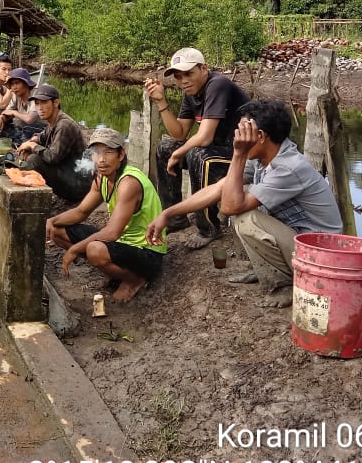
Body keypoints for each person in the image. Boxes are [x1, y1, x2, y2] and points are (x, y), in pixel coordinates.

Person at [146, 99, 343, 308]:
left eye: (241, 130)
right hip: (300, 245)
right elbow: (219, 188)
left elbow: (230, 207)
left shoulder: (288, 167)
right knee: (239, 195)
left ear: (260, 136)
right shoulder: (261, 158)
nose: (236, 136)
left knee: (245, 216)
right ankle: (267, 269)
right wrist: (168, 213)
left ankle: (284, 284)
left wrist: (239, 153)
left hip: (321, 257)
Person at [143, 47, 250, 249]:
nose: (183, 81)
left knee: (198, 154)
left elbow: (205, 137)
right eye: (178, 76)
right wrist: (160, 101)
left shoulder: (217, 85)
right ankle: (175, 218)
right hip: (219, 150)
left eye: (189, 73)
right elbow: (179, 133)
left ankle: (208, 227)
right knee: (166, 146)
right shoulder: (191, 92)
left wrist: (180, 153)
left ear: (204, 68)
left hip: (243, 154)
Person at [46, 129, 166, 302]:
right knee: (57, 230)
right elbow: (81, 211)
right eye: (96, 153)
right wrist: (52, 220)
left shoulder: (129, 183)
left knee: (94, 249)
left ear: (121, 154)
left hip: (146, 251)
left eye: (108, 152)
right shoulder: (101, 178)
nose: (101, 159)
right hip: (122, 243)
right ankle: (116, 272)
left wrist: (74, 249)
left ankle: (134, 279)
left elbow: (112, 233)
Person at [15, 84, 91, 203]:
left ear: (55, 103)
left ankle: (31, 202)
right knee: (31, 153)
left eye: (44, 103)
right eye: (37, 103)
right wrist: (31, 141)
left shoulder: (63, 125)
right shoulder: (54, 121)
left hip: (78, 185)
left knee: (34, 160)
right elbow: (42, 136)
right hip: (69, 175)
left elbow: (52, 158)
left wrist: (33, 146)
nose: (40, 107)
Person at [0, 67, 43, 147]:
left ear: (26, 83)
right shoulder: (16, 95)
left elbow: (29, 119)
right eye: (12, 84)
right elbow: (7, 112)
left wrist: (14, 112)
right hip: (24, 129)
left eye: (17, 83)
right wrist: (1, 117)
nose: (14, 87)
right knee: (3, 125)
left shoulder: (36, 95)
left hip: (40, 130)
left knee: (26, 129)